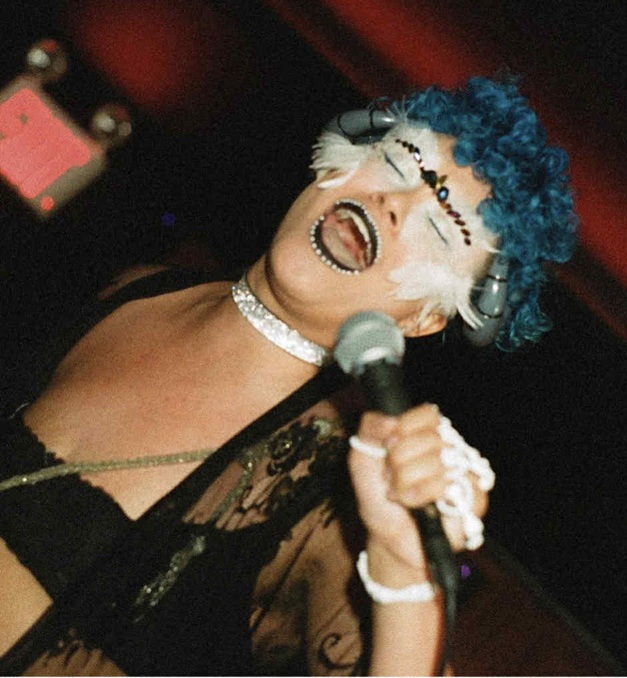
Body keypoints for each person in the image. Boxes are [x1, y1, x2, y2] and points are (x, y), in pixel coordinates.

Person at [0, 76, 576, 676]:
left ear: (425, 318)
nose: (395, 203)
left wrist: (407, 583)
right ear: (338, 159)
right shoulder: (141, 287)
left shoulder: (335, 491)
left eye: (438, 230)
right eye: (398, 164)